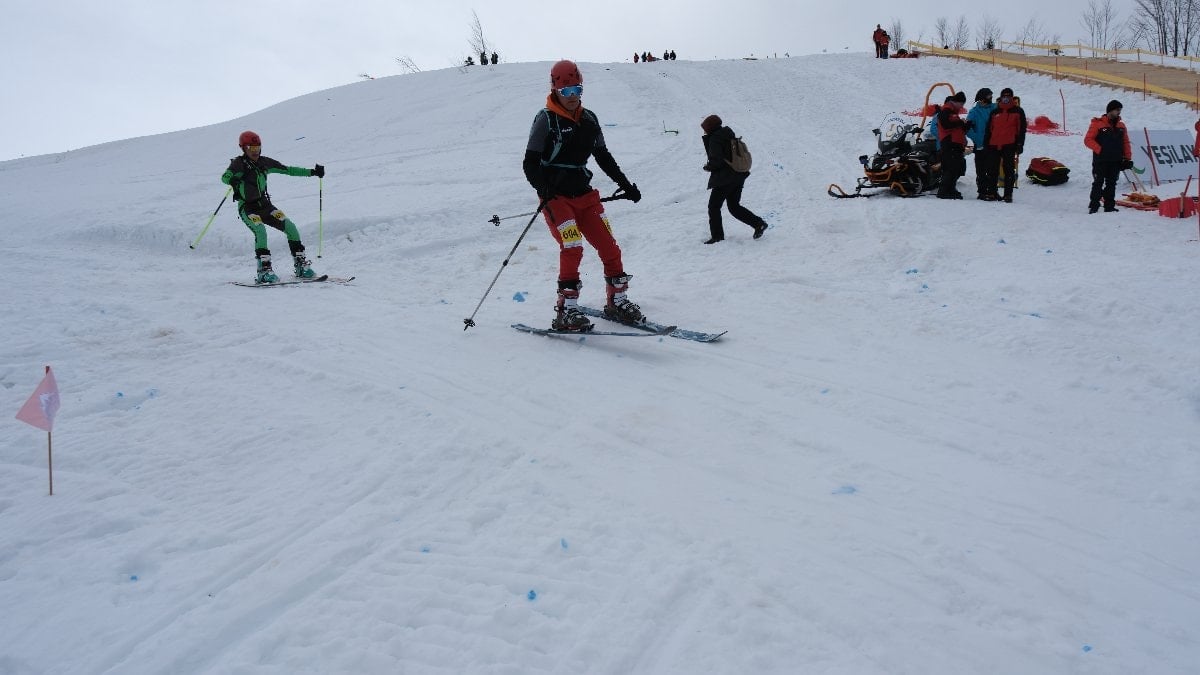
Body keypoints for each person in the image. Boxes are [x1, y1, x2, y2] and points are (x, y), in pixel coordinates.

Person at [522, 60, 644, 332]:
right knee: (572, 244)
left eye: (577, 89)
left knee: (609, 246)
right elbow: (529, 163)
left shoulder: (589, 119)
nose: (572, 96)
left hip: (585, 196)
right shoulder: (546, 120)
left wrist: (625, 184)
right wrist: (543, 188)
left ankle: (617, 301)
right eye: (566, 91)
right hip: (556, 198)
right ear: (555, 90)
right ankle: (566, 309)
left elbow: (603, 156)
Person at [221, 131, 323, 283]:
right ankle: (263, 271)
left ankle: (301, 266)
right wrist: (233, 180)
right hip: (247, 208)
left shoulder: (264, 162)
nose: (255, 151)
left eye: (257, 148)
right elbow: (224, 178)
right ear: (243, 148)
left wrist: (312, 172)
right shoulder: (238, 163)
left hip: (265, 206)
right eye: (251, 148)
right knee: (260, 230)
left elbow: (288, 170)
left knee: (290, 227)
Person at [701, 114, 769, 244]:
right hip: (738, 175)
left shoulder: (715, 138)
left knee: (714, 207)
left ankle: (717, 237)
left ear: (710, 127)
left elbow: (717, 161)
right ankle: (758, 224)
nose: (704, 131)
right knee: (734, 206)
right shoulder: (727, 134)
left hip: (725, 178)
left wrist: (708, 167)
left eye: (705, 128)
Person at [1084, 99, 1133, 213]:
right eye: (1117, 110)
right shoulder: (1097, 124)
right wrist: (1100, 150)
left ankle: (1109, 206)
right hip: (1100, 160)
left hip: (1115, 160)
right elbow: (1088, 140)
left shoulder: (1121, 126)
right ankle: (1094, 205)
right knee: (1098, 182)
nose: (1119, 112)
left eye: (1120, 110)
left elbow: (1125, 142)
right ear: (1110, 110)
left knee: (1111, 183)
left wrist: (1127, 158)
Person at [983, 87, 1027, 203]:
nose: (1006, 98)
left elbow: (1021, 129)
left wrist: (1020, 144)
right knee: (992, 170)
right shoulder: (995, 112)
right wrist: (986, 143)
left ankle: (1008, 194)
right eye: (1004, 96)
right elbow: (989, 129)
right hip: (994, 144)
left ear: (1012, 97)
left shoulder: (1018, 111)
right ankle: (991, 192)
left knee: (1009, 170)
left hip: (1009, 144)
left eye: (1008, 96)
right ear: (1001, 97)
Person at [936, 91, 969, 199]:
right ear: (956, 102)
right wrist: (960, 123)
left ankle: (951, 189)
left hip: (956, 145)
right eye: (961, 104)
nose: (962, 107)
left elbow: (957, 129)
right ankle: (943, 191)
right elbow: (946, 125)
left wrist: (966, 125)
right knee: (950, 169)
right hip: (949, 144)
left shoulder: (953, 113)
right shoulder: (946, 111)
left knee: (955, 169)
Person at [966, 88, 996, 199]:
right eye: (988, 96)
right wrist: (978, 139)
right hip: (980, 146)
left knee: (993, 170)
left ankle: (993, 191)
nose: (991, 98)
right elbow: (967, 128)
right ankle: (982, 192)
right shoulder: (974, 112)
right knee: (981, 170)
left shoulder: (995, 108)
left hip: (993, 145)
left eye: (991, 96)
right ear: (982, 99)